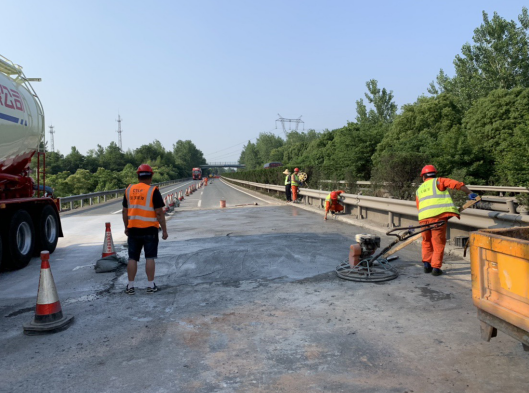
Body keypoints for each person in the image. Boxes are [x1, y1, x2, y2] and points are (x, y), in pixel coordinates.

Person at [416, 165, 477, 276]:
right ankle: (436, 268)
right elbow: (458, 185)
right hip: (438, 218)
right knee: (438, 242)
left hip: (423, 219)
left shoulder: (419, 189)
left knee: (426, 241)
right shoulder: (439, 181)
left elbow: (418, 206)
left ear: (423, 177)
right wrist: (469, 193)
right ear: (435, 174)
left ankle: (426, 265)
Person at [122, 164, 168, 294]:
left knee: (132, 258)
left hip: (133, 230)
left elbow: (125, 212)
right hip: (150, 231)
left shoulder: (129, 190)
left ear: (138, 176)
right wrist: (164, 230)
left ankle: (130, 286)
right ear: (151, 176)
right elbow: (159, 212)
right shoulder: (153, 191)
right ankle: (150, 285)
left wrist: (126, 227)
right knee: (150, 258)